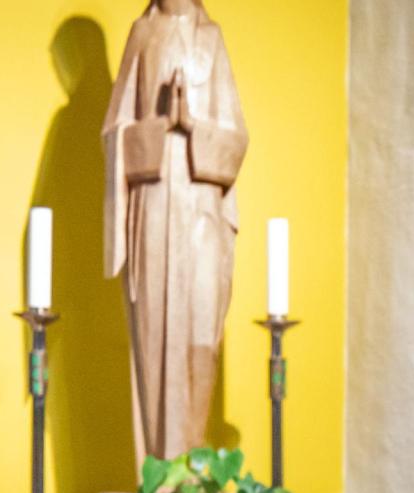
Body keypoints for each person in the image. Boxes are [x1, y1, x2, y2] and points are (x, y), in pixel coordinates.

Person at [102, 0, 248, 461]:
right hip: (156, 205)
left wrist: (193, 126)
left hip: (202, 210)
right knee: (154, 331)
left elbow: (237, 139)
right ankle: (160, 467)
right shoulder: (142, 36)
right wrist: (159, 127)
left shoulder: (212, 38)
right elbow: (114, 133)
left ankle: (194, 461)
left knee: (202, 332)